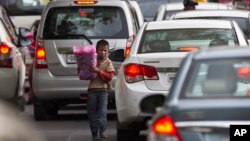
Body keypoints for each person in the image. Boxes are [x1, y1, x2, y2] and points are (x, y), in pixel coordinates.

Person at [88, 39, 115, 141]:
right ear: (96, 50)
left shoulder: (108, 62)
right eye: (101, 50)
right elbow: (84, 74)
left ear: (108, 51)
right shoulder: (92, 61)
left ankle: (102, 130)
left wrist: (98, 71)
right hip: (91, 90)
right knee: (92, 113)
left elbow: (110, 77)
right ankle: (94, 134)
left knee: (102, 112)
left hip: (103, 91)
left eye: (105, 51)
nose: (103, 52)